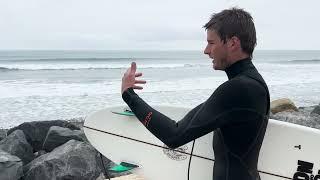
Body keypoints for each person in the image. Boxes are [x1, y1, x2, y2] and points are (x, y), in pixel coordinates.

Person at [121, 7, 270, 180]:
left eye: (211, 42)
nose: (206, 50)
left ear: (232, 43)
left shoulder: (240, 89)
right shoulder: (252, 84)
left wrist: (129, 95)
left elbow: (173, 135)